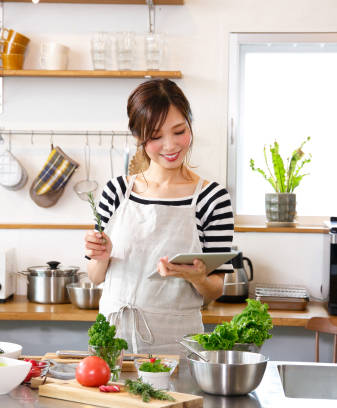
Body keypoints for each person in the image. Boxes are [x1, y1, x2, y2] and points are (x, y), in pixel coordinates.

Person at [84, 79, 234, 354]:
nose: (170, 145)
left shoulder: (212, 198)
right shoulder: (117, 191)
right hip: (112, 340)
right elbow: (95, 277)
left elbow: (215, 290)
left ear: (190, 124)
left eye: (179, 131)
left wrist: (198, 277)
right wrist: (101, 255)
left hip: (177, 343)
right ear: (139, 138)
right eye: (155, 137)